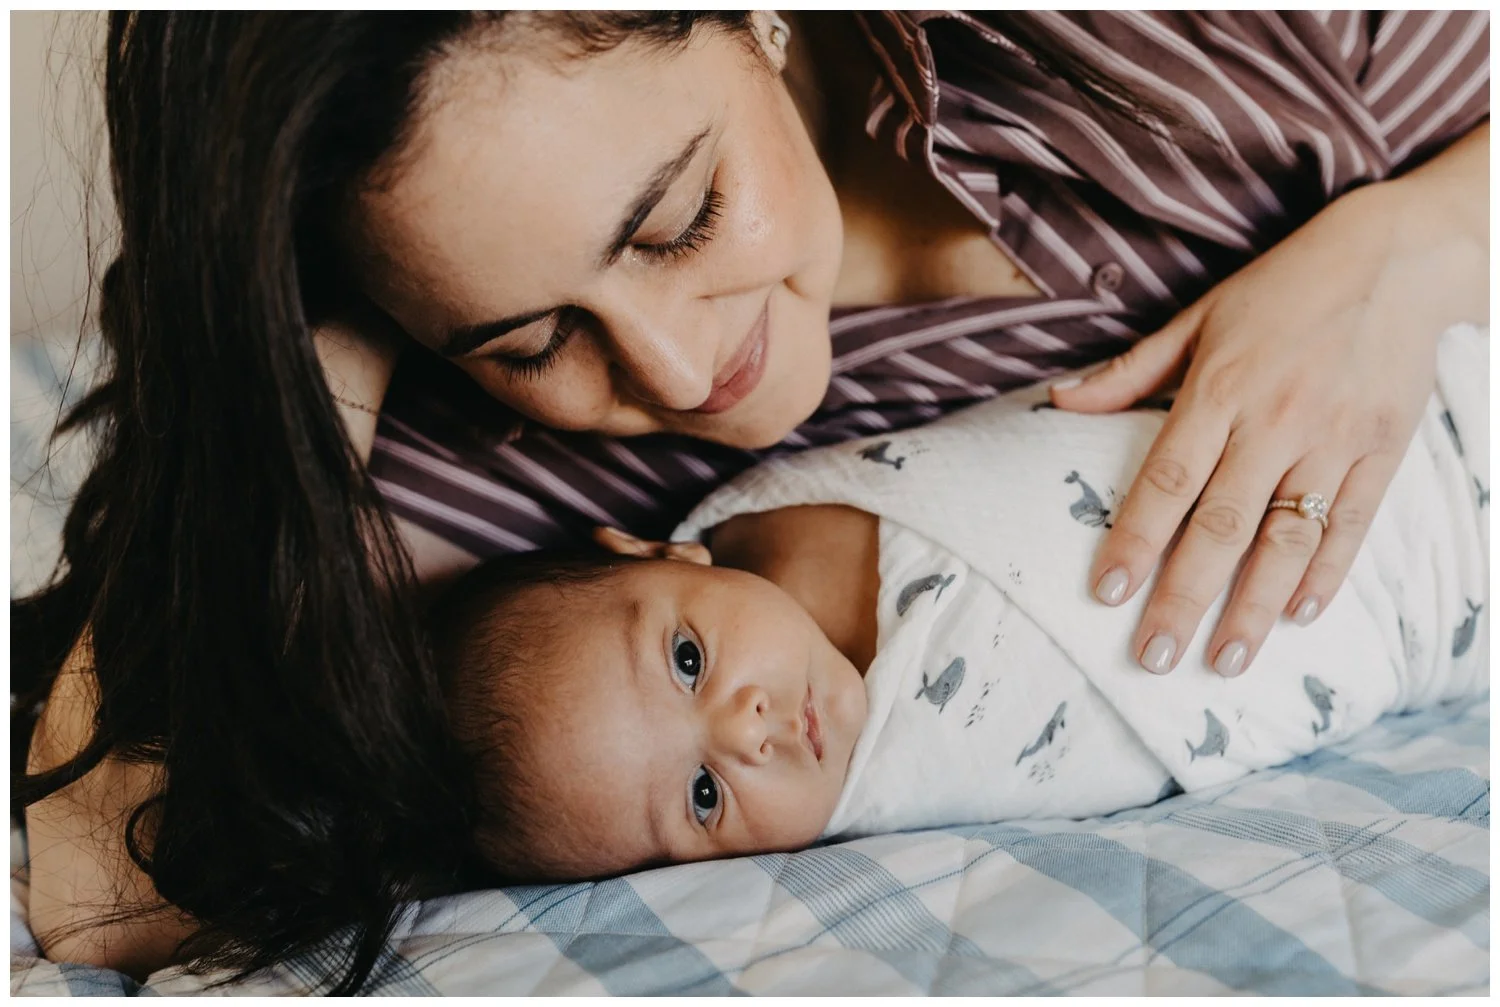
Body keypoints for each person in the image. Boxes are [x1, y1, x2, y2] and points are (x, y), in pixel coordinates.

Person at [12, 10, 1487, 994]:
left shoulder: (1122, 48)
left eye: (681, 218)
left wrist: (1407, 248)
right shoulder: (521, 488)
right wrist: (289, 347)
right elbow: (99, 889)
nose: (675, 363)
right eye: (530, 334)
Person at [432, 324, 1487, 881]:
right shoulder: (876, 801)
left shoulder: (788, 515)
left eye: (689, 662)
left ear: (656, 554)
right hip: (1440, 614)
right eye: (703, 798)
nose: (747, 733)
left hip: (1400, 404)